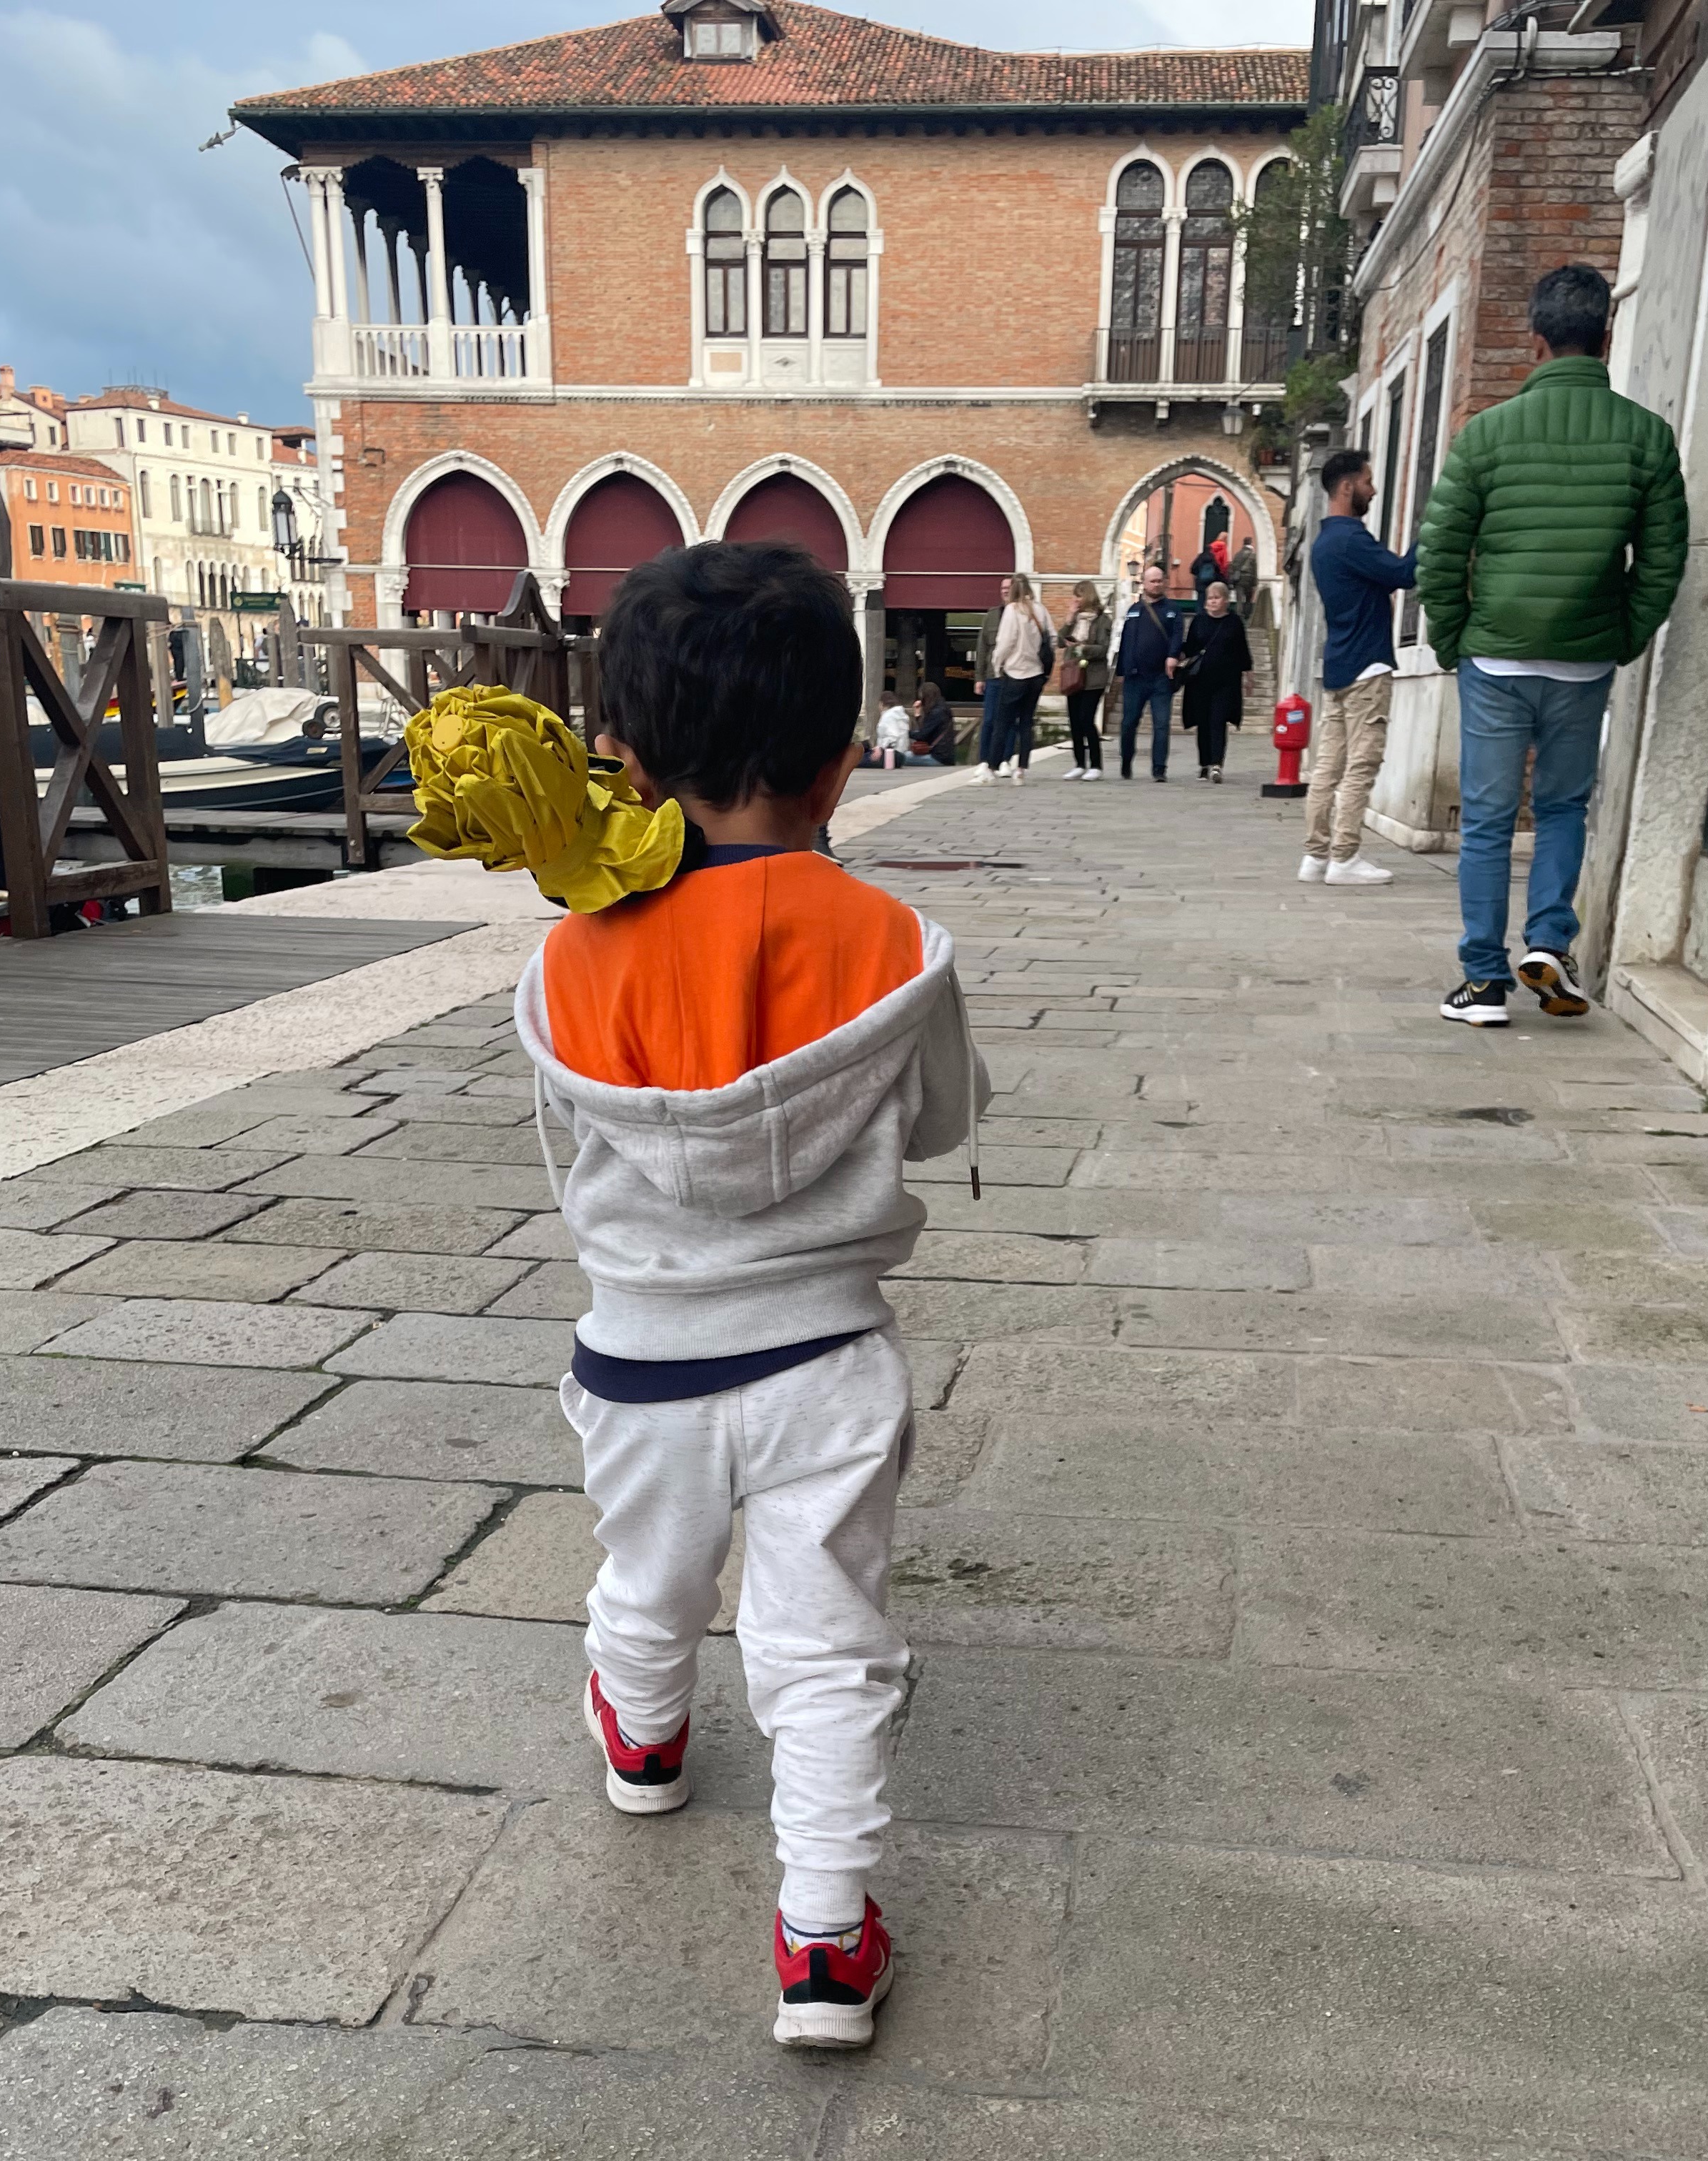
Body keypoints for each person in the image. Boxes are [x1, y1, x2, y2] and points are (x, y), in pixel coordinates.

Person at [520, 540, 988, 2050]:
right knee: (825, 1641)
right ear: (843, 767)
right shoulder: (898, 944)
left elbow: (566, 1160)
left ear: (631, 763)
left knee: (644, 1576)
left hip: (643, 1359)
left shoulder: (566, 960)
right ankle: (824, 1942)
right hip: (826, 1364)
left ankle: (645, 1744)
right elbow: (943, 1120)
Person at [1419, 262, 1688, 1025]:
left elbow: (1442, 552)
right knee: (1564, 805)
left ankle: (1482, 981)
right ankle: (1549, 942)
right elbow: (1663, 559)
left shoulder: (1484, 437)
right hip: (1585, 658)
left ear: (1534, 342)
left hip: (1496, 657)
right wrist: (1624, 635)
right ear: (1606, 336)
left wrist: (1451, 640)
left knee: (1488, 819)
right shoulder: (1648, 438)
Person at [1302, 447, 1416, 888]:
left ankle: (1314, 856)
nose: (1373, 488)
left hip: (1337, 667)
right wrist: (1432, 528)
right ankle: (1344, 857)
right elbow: (1405, 573)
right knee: (1360, 766)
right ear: (1347, 487)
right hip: (1367, 667)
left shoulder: (1323, 544)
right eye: (1367, 481)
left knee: (1328, 766)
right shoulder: (1351, 539)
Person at [973, 574, 1051, 784]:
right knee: (1026, 723)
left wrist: (997, 666)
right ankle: (1021, 770)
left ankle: (991, 767)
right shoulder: (1040, 610)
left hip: (1016, 673)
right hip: (1036, 675)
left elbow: (1005, 643)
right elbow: (1051, 637)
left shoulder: (1012, 610)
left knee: (1002, 722)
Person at [1114, 560, 1185, 780]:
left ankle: (1159, 769)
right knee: (1128, 724)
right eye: (1152, 581)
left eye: (1159, 581)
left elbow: (1177, 636)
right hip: (1135, 679)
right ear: (1144, 584)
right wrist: (1120, 673)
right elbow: (1125, 641)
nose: (1156, 584)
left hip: (1161, 679)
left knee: (1162, 725)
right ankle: (1126, 763)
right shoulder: (1134, 611)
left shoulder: (1173, 610)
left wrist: (1173, 656)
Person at [1182, 581, 1253, 781]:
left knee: (1218, 721)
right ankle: (1204, 763)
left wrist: (1249, 674)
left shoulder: (1234, 622)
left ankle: (1216, 764)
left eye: (1216, 598)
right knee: (1203, 722)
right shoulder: (1199, 621)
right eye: (1210, 598)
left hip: (1226, 682)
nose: (1212, 602)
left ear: (1225, 600)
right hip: (1200, 682)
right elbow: (1190, 648)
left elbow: (1243, 649)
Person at [1059, 578, 1111, 779]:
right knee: (1074, 720)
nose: (1075, 599)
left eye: (1078, 595)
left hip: (1093, 677)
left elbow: (1103, 648)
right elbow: (1059, 641)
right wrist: (1069, 618)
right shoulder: (1075, 620)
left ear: (1087, 596)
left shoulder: (1102, 620)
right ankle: (1079, 763)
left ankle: (1096, 765)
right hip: (1073, 675)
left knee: (1086, 719)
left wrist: (1082, 648)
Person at [908, 680, 956, 764]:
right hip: (945, 756)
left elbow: (922, 735)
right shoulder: (944, 709)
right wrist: (918, 715)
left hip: (938, 757)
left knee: (903, 757)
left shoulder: (936, 713)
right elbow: (927, 730)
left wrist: (906, 733)